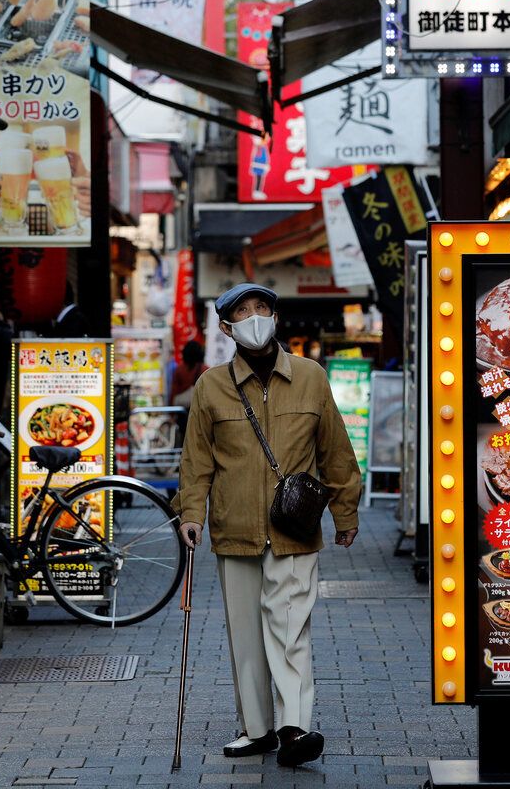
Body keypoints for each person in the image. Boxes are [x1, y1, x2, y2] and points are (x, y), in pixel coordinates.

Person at [175, 283, 362, 768]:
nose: (254, 316)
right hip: (234, 527)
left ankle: (294, 727)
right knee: (246, 635)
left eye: (262, 308)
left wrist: (346, 512)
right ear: (225, 326)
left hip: (294, 528)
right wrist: (191, 513)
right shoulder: (211, 385)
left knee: (289, 626)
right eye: (243, 310)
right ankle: (256, 730)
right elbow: (196, 461)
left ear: (276, 318)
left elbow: (335, 451)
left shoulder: (311, 377)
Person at [170, 339, 206, 407]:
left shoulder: (180, 369)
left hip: (182, 407)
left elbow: (174, 390)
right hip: (199, 405)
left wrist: (172, 412)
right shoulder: (205, 369)